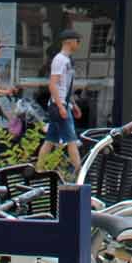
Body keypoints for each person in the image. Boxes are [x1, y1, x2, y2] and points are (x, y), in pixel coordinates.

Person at [47, 31, 83, 172]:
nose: (78, 44)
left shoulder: (67, 60)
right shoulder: (60, 60)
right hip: (59, 104)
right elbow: (53, 84)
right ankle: (80, 172)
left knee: (50, 141)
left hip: (62, 103)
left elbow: (66, 87)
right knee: (72, 141)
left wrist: (73, 104)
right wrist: (61, 106)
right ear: (69, 41)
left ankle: (38, 169)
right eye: (77, 41)